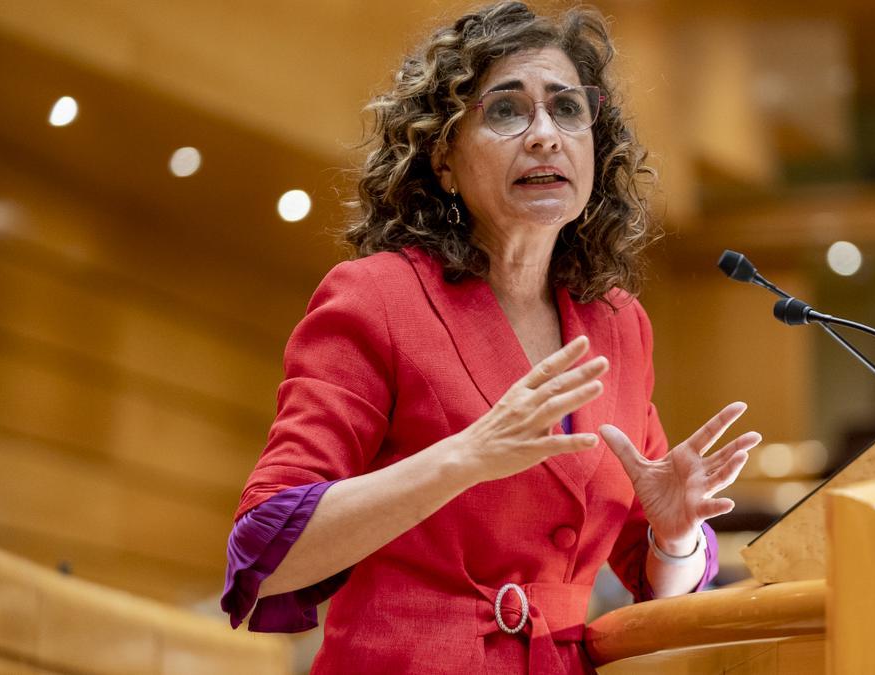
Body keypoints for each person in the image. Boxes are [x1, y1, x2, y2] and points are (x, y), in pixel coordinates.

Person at [221, 3, 760, 672]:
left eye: (567, 109)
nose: (545, 135)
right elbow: (266, 552)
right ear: (443, 157)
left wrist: (675, 536)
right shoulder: (376, 297)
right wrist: (464, 457)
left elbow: (655, 584)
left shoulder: (618, 324)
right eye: (507, 111)